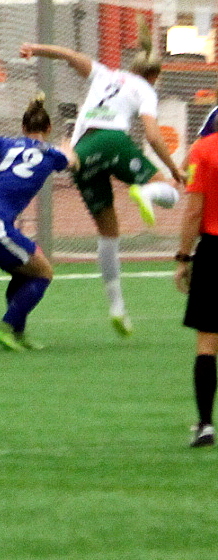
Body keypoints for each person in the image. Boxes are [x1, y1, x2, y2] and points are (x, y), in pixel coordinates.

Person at [19, 40, 185, 335]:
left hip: (81, 154)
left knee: (109, 234)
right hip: (113, 141)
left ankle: (117, 307)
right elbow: (152, 135)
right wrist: (173, 169)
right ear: (154, 76)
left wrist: (34, 48)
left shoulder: (104, 73)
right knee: (171, 195)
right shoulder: (145, 89)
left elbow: (69, 54)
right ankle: (145, 192)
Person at [0, 94, 78, 351]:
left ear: (23, 127)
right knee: (43, 273)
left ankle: (17, 333)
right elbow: (73, 163)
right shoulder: (52, 154)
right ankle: (5, 327)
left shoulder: (3, 143)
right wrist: (68, 150)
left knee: (23, 272)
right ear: (48, 128)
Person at [173, 105, 218, 447]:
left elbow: (193, 211)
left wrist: (183, 257)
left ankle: (205, 425)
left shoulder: (203, 150)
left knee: (207, 342)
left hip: (214, 251)